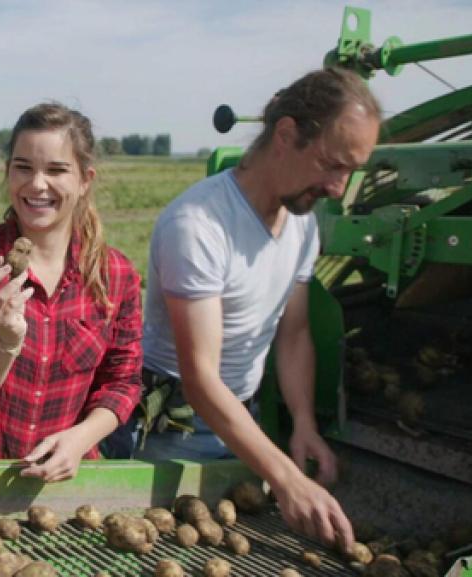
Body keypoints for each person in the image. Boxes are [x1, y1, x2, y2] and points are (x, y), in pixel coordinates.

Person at [115, 67, 381, 550]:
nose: (339, 187)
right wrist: (286, 478)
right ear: (286, 134)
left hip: (241, 419)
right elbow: (200, 377)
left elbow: (293, 332)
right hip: (174, 427)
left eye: (351, 171)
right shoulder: (199, 225)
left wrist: (302, 424)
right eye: (332, 164)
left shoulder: (300, 224)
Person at [0, 102, 144, 482]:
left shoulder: (115, 275)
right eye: (23, 167)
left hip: (61, 484)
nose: (37, 184)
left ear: (84, 180)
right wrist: (5, 338)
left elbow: (122, 381)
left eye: (57, 170)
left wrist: (80, 439)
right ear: (8, 172)